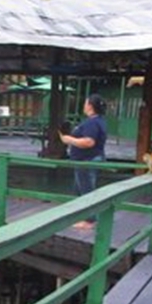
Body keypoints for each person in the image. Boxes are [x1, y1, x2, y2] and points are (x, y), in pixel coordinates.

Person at [60, 94, 107, 229]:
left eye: (85, 103)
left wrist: (70, 140)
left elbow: (89, 142)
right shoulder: (98, 121)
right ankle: (83, 217)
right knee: (80, 188)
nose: (84, 105)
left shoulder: (92, 122)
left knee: (86, 190)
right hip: (86, 159)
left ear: (90, 106)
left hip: (87, 160)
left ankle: (89, 221)